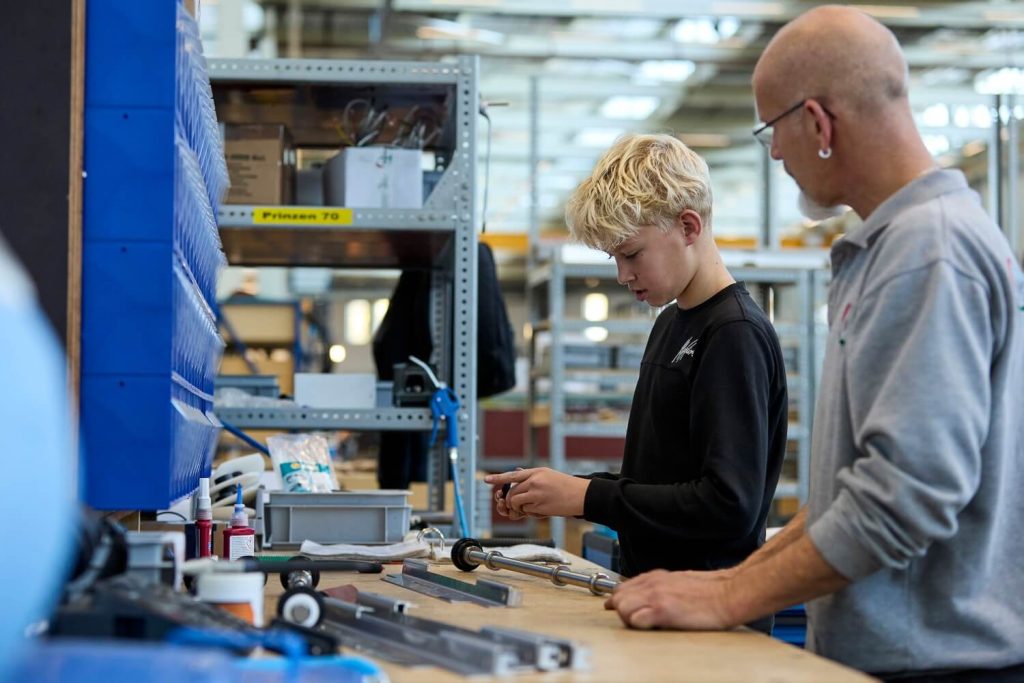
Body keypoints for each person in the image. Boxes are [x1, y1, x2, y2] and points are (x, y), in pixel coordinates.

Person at [607, 7, 1024, 682]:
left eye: (773, 129)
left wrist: (730, 595)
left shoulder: (930, 251)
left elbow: (901, 498)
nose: (773, 153)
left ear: (819, 122)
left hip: (939, 664)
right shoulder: (893, 248)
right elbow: (847, 496)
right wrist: (726, 585)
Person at [485, 134, 789, 629]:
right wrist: (565, 488)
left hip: (710, 614)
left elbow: (728, 504)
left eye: (632, 254)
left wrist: (587, 498)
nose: (624, 275)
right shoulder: (672, 322)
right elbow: (661, 482)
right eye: (615, 260)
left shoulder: (733, 333)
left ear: (688, 226)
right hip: (654, 597)